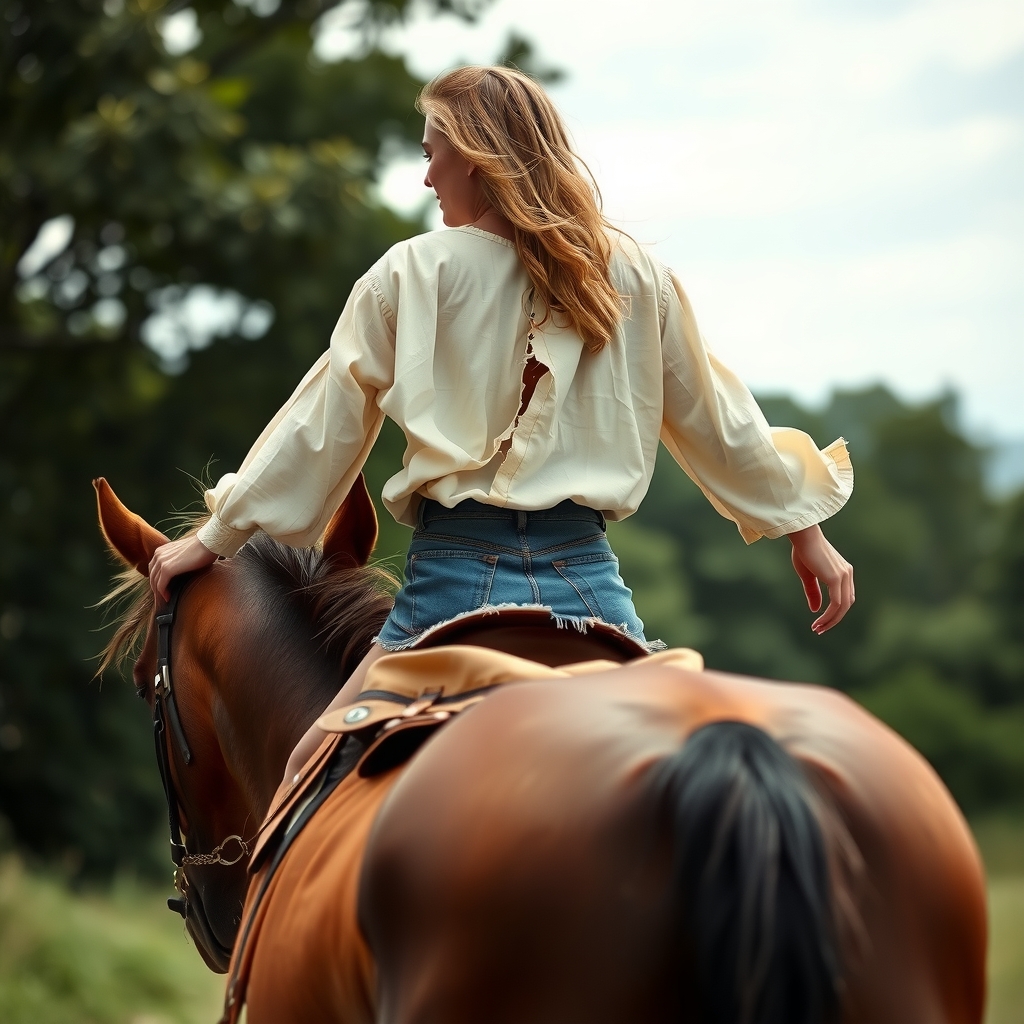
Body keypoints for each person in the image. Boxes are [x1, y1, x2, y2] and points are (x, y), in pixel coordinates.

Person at [148, 65, 855, 787]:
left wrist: (213, 538)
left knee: (305, 776)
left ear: (475, 155)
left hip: (449, 586)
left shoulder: (408, 276)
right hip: (589, 588)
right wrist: (808, 534)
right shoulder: (635, 276)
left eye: (431, 154)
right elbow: (719, 422)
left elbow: (318, 427)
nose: (426, 179)